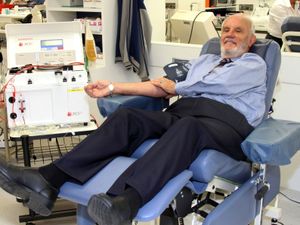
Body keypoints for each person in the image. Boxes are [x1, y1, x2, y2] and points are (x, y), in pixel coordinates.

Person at [0, 14, 267, 225]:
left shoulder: (253, 65)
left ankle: (125, 201)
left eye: (238, 31)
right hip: (184, 114)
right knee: (127, 117)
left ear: (251, 40)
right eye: (226, 30)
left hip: (225, 125)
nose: (230, 35)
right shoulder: (204, 61)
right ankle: (48, 181)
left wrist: (176, 86)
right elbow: (160, 86)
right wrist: (114, 88)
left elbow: (213, 85)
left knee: (188, 127)